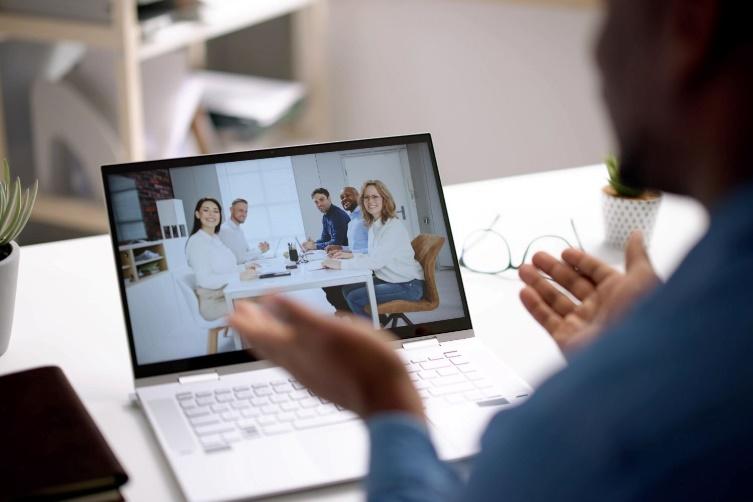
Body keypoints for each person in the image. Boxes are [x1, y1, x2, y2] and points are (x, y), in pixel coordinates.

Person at [230, 1, 753, 500]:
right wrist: (641, 344)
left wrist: (386, 398)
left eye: (610, 13)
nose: (597, 54)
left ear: (690, 25)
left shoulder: (584, 441)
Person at [323, 180, 425, 318]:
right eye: (366, 197)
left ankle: (372, 332)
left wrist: (340, 264)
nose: (370, 201)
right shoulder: (375, 224)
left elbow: (375, 262)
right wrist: (350, 255)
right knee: (347, 289)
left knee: (355, 297)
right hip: (389, 278)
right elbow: (372, 256)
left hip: (407, 285)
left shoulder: (392, 227)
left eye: (375, 196)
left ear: (384, 198)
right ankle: (374, 324)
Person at [185, 198, 257, 321]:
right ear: (197, 214)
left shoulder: (214, 238)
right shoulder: (197, 242)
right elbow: (205, 280)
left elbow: (227, 268)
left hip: (226, 293)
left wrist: (244, 268)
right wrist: (239, 276)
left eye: (216, 211)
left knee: (263, 295)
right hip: (214, 302)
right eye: (206, 210)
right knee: (261, 302)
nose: (212, 214)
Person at [323, 186, 369, 312]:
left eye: (348, 195)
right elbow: (357, 246)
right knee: (327, 281)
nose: (344, 199)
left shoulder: (366, 218)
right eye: (342, 197)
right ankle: (349, 314)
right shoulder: (352, 220)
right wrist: (341, 248)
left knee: (332, 286)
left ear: (358, 196)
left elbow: (372, 249)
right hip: (356, 260)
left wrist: (348, 254)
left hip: (366, 265)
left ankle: (353, 315)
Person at [218, 198, 270, 265]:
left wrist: (261, 250)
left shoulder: (239, 230)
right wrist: (259, 250)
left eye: (246, 211)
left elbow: (245, 253)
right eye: (240, 210)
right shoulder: (225, 230)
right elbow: (238, 259)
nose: (244, 214)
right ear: (231, 210)